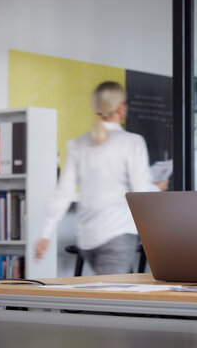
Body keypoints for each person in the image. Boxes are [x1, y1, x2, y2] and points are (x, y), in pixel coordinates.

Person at [34, 81, 168, 275]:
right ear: (121, 108)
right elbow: (141, 191)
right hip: (117, 234)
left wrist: (45, 235)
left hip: (87, 239)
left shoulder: (77, 144)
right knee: (114, 300)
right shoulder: (132, 143)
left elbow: (62, 193)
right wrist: (158, 187)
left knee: (119, 295)